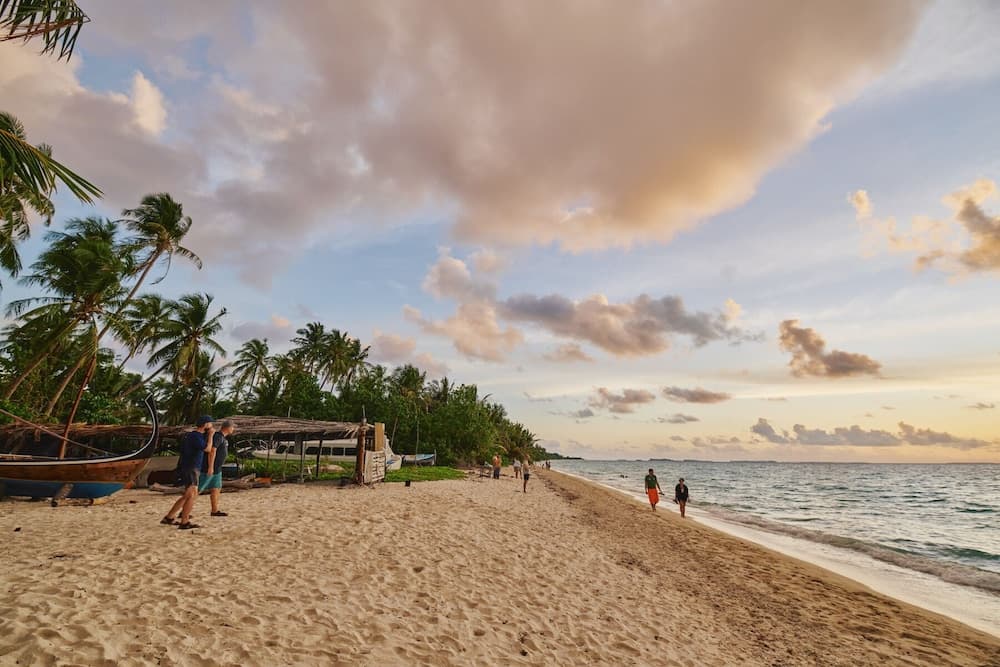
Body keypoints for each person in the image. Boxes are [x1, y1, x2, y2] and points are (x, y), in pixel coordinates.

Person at [161, 415, 214, 529]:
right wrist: (211, 436)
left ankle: (169, 517)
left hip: (189, 467)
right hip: (191, 468)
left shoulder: (194, 436)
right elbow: (208, 449)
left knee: (187, 495)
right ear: (205, 424)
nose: (212, 426)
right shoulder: (195, 436)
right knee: (192, 495)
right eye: (210, 423)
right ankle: (184, 521)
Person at [198, 420, 235, 517]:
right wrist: (210, 467)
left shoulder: (223, 438)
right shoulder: (218, 437)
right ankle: (183, 511)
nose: (233, 429)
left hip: (217, 468)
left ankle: (214, 510)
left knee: (216, 488)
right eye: (232, 427)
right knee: (197, 490)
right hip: (210, 468)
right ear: (228, 428)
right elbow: (212, 451)